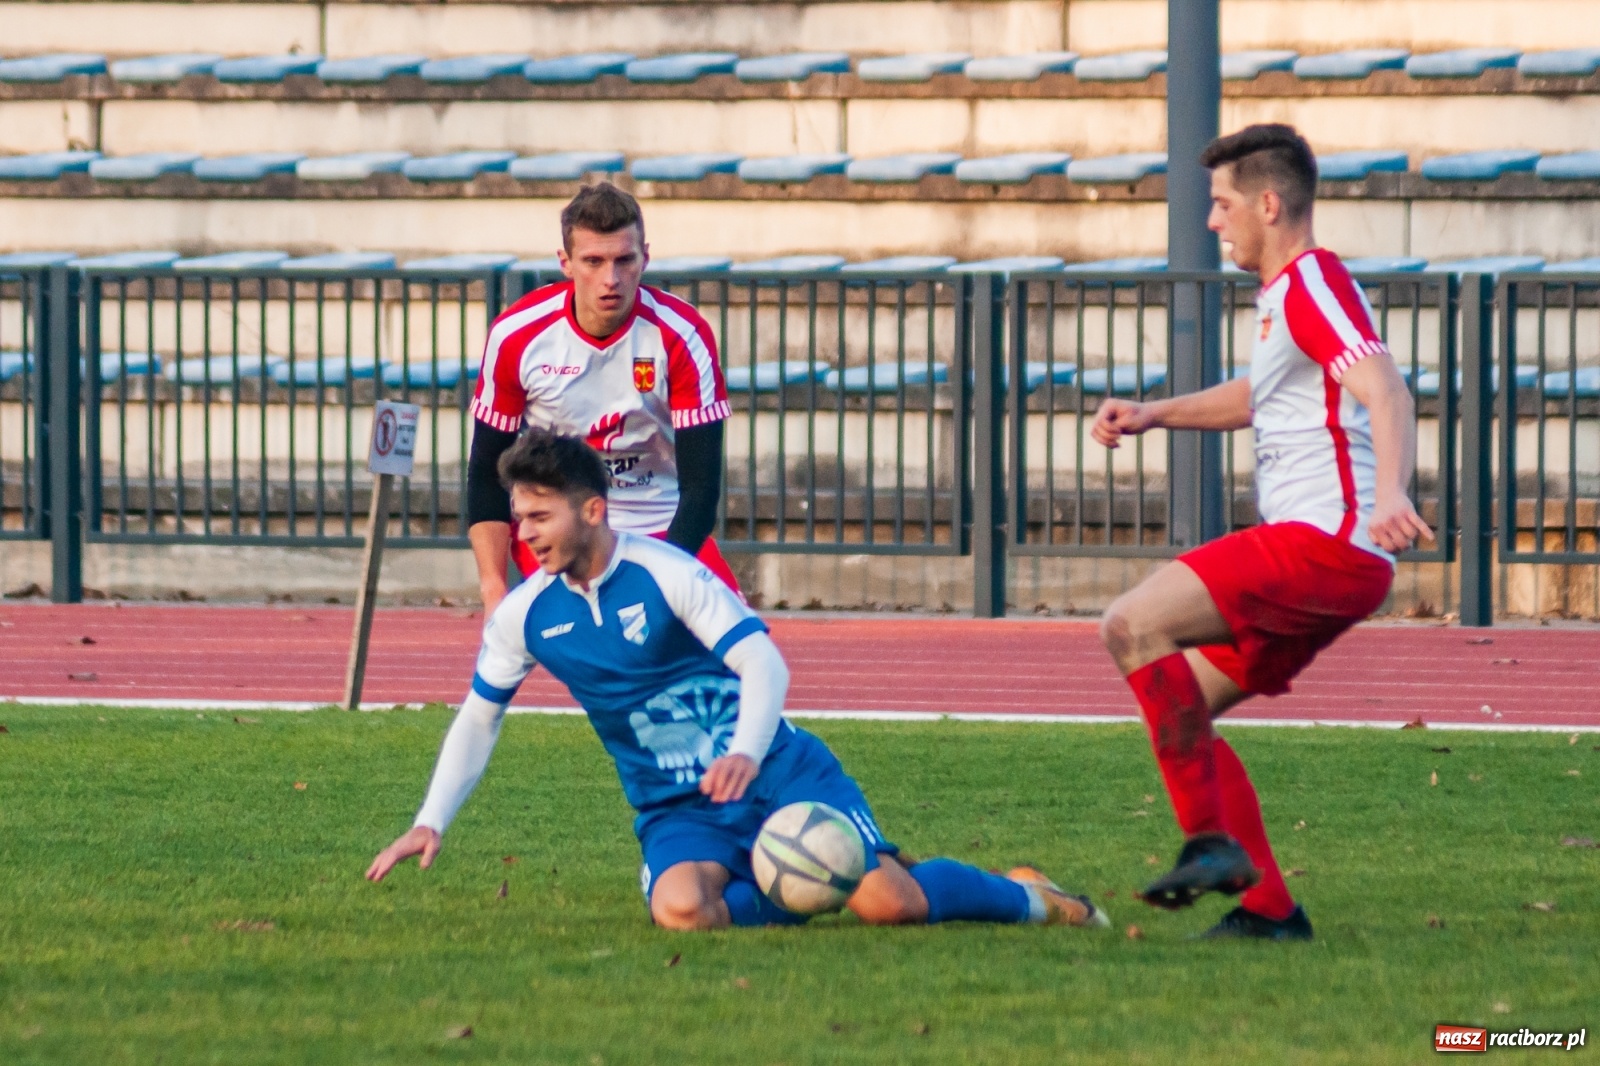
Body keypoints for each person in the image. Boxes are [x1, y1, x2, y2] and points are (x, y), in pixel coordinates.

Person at [369, 430, 1110, 932]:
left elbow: (764, 662)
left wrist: (748, 753)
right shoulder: (525, 615)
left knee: (894, 906)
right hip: (676, 808)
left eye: (539, 517)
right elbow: (478, 716)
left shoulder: (669, 573)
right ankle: (781, 873)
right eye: (517, 517)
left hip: (776, 772)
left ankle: (1034, 899)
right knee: (683, 911)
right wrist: (431, 819)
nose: (523, 533)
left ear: (593, 511)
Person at [1090, 124, 1432, 940]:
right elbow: (1262, 397)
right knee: (1185, 709)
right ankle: (1272, 911)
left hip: (1324, 548)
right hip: (1329, 559)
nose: (1213, 221)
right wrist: (1153, 414)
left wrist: (1391, 492)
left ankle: (1209, 844)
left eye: (1223, 203)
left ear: (1269, 204)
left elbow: (1387, 389)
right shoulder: (1289, 296)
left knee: (1130, 624)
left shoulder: (1314, 281)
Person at [466, 183, 736, 614]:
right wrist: (494, 589)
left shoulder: (683, 336)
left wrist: (663, 586)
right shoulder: (516, 336)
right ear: (566, 263)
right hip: (562, 522)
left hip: (660, 522)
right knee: (599, 650)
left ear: (645, 257)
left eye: (624, 260)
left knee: (731, 646)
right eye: (593, 261)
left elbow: (701, 488)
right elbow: (484, 474)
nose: (610, 279)